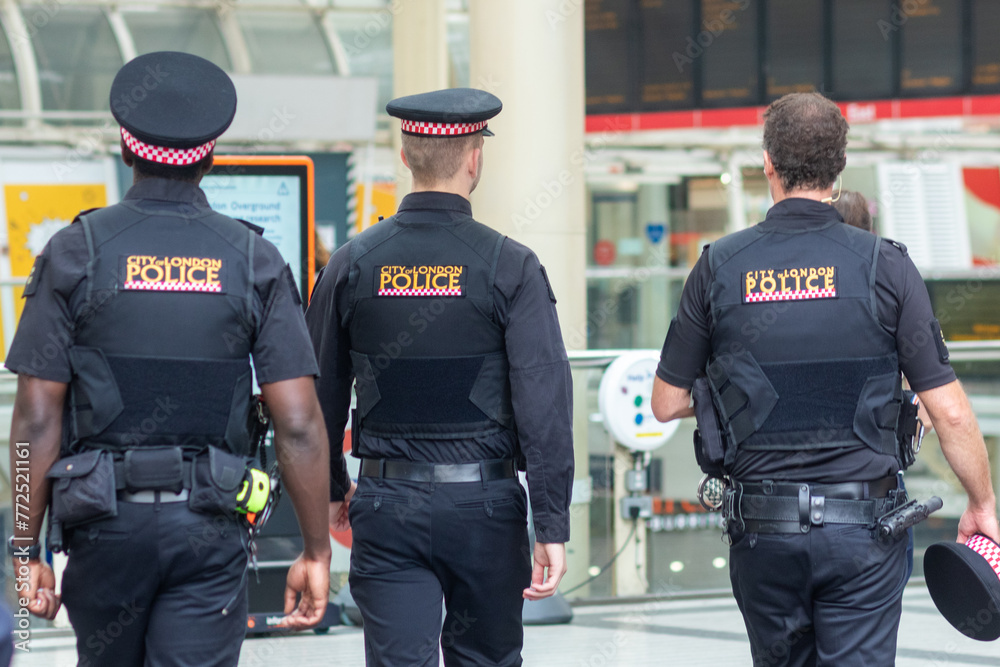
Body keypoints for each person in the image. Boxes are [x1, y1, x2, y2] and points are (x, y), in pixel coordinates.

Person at [6, 51, 336, 666]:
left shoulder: (73, 254)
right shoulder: (253, 260)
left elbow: (35, 417)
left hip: (103, 523)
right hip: (210, 522)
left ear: (126, 150)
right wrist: (316, 551)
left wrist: (26, 551)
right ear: (209, 156)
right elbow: (297, 422)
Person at [651, 92, 999, 666]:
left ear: (767, 162)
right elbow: (951, 411)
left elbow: (666, 403)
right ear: (839, 167)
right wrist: (982, 502)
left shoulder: (718, 265)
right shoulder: (886, 265)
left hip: (763, 535)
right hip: (866, 534)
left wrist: (748, 394)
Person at [306, 87, 574, 667]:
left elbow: (317, 398)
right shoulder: (512, 266)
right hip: (486, 508)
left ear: (405, 157)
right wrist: (551, 522)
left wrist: (330, 490)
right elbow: (544, 403)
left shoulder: (351, 264)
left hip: (385, 503)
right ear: (475, 158)